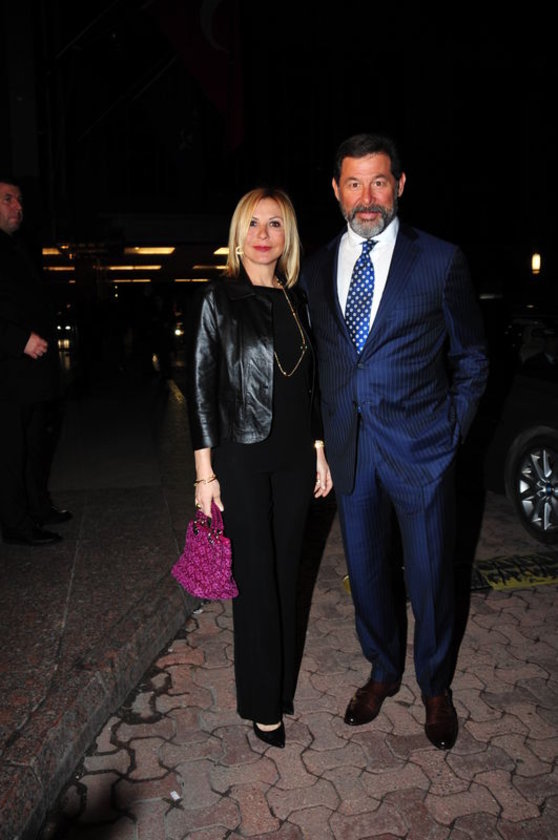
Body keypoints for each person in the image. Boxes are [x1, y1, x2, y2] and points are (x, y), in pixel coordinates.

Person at [300, 134, 489, 750]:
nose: (367, 197)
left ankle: (436, 686)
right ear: (336, 190)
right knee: (366, 574)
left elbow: (472, 357)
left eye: (378, 182)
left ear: (400, 185)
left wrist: (450, 433)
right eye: (354, 184)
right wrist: (320, 440)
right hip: (352, 454)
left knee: (431, 577)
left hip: (422, 453)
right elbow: (320, 363)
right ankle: (382, 670)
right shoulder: (317, 266)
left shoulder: (439, 260)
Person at [187, 187, 332, 748]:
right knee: (255, 581)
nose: (263, 234)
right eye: (253, 223)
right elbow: (201, 390)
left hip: (294, 459)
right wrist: (204, 475)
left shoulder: (298, 300)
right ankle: (261, 702)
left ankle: (281, 686)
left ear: (287, 235)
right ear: (238, 234)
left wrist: (318, 449)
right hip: (241, 458)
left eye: (274, 223)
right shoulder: (218, 299)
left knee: (286, 572)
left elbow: (309, 385)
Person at [0, 176, 72, 546]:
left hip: (28, 372)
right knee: (11, 452)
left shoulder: (16, 246)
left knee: (32, 446)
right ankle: (16, 524)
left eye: (19, 200)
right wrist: (18, 340)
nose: (18, 207)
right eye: (7, 199)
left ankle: (36, 508)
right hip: (8, 371)